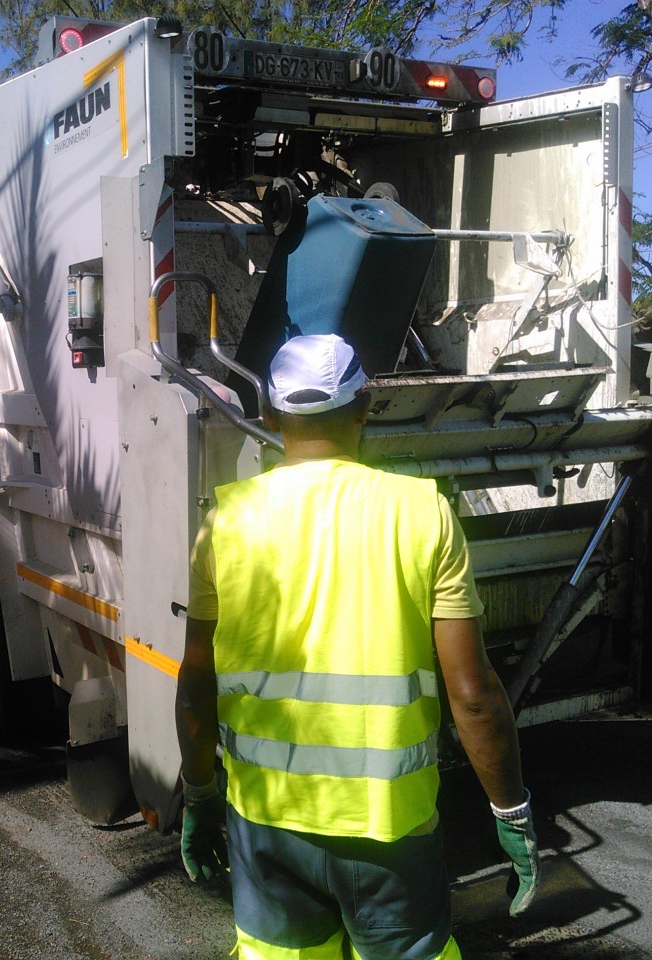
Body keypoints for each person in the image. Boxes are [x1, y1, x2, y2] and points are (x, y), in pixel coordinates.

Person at [175, 333, 539, 960]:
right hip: (388, 828)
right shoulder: (420, 512)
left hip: (265, 820)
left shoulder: (223, 521)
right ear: (365, 407)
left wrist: (200, 793)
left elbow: (197, 681)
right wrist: (510, 812)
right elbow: (473, 695)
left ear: (269, 415)